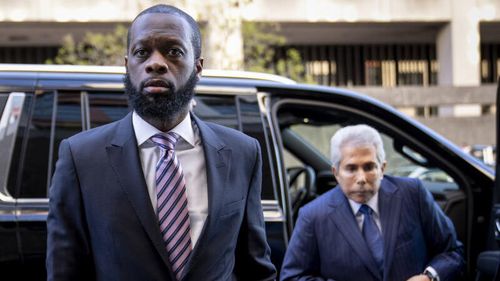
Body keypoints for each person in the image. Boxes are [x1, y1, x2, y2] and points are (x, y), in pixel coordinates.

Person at [46, 4, 276, 281]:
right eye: (142, 52)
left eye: (174, 51)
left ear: (198, 67)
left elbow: (255, 268)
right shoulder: (81, 157)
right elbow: (65, 271)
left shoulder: (242, 152)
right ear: (127, 65)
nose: (156, 63)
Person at [280, 124, 464, 281]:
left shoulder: (412, 194)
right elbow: (292, 277)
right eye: (351, 169)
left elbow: (452, 252)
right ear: (336, 173)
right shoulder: (313, 215)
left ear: (382, 168)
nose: (361, 178)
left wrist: (429, 276)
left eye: (369, 167)